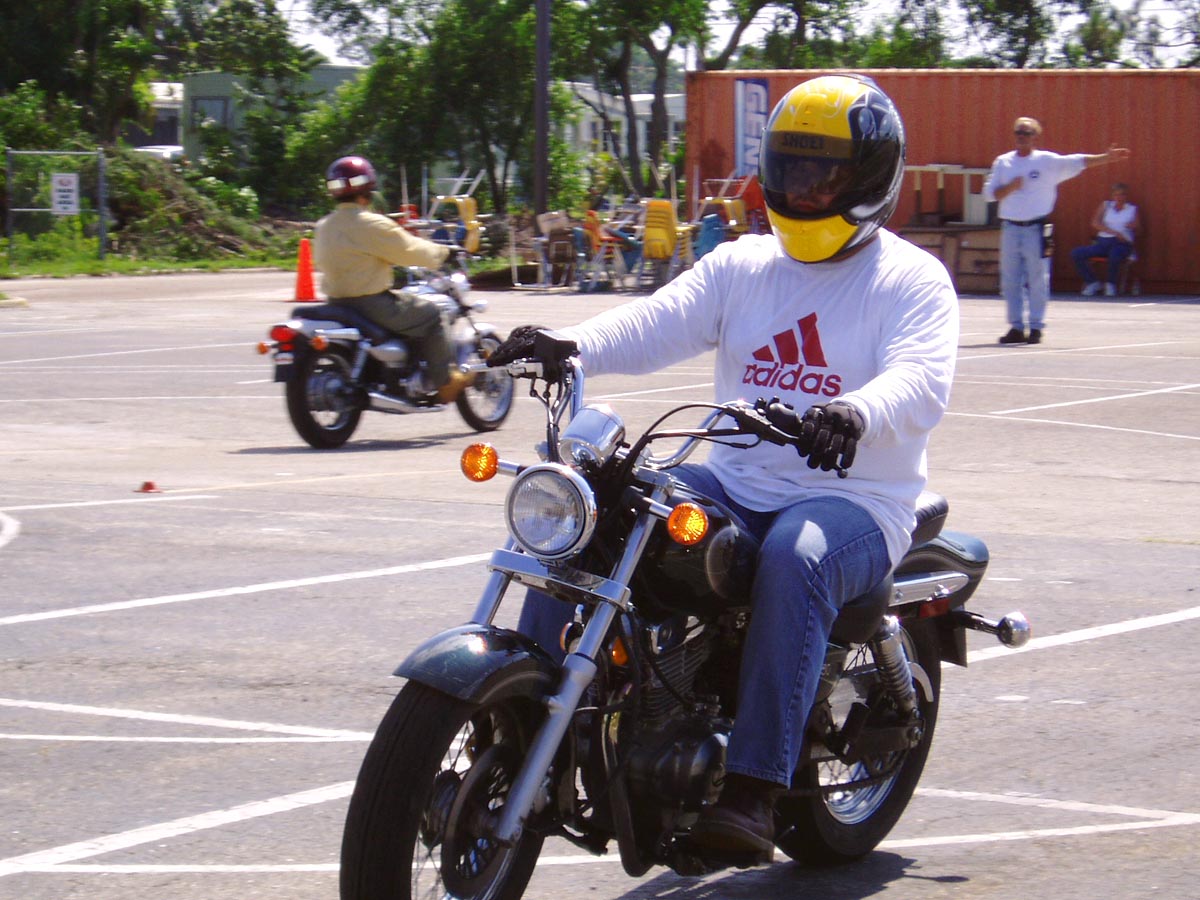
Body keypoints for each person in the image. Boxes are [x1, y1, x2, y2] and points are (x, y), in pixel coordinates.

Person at [488, 75, 958, 858]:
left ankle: (752, 790)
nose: (805, 189)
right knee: (599, 510)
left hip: (857, 499)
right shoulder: (743, 265)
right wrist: (569, 345)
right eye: (793, 169)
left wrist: (854, 412)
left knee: (797, 556)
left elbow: (921, 378)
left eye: (826, 174)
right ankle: (534, 712)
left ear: (871, 179)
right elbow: (656, 321)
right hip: (734, 482)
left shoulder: (908, 279)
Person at [312, 155, 472, 403]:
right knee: (432, 315)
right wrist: (444, 253)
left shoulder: (324, 226)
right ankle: (445, 382)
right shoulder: (371, 224)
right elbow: (409, 250)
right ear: (367, 189)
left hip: (335, 302)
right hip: (372, 304)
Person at [983, 117, 1130, 346]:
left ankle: (1036, 326)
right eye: (1018, 132)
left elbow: (1078, 161)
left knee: (1037, 278)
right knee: (1010, 280)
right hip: (1010, 227)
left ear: (1035, 137)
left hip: (1036, 228)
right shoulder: (1004, 162)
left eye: (1026, 133)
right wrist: (1011, 187)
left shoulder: (1046, 161)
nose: (1021, 136)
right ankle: (1016, 326)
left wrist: (1106, 158)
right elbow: (989, 195)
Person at [1070, 182, 1139, 297]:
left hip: (1122, 243)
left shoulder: (1132, 209)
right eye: (1116, 194)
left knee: (1115, 254)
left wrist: (1132, 226)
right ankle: (1092, 282)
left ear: (1126, 196)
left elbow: (1138, 227)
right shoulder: (1106, 205)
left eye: (1122, 194)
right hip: (1104, 241)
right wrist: (1113, 232)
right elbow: (1095, 223)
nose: (1119, 197)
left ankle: (1111, 284)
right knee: (1077, 253)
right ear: (1112, 195)